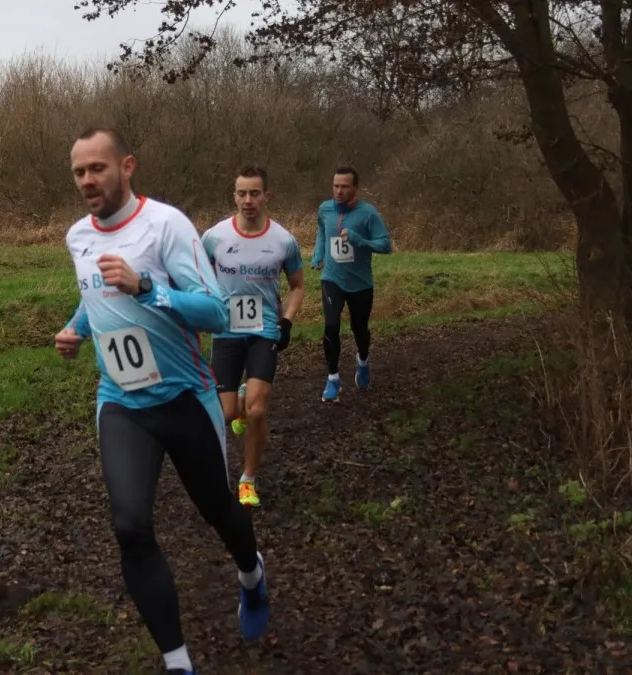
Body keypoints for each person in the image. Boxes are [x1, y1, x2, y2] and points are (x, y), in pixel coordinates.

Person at [53, 127, 270, 675]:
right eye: (78, 171)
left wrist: (148, 288)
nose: (87, 180)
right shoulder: (77, 235)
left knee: (216, 508)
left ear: (127, 166)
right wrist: (76, 328)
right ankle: (178, 662)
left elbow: (216, 312)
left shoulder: (166, 224)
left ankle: (251, 574)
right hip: (121, 401)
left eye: (97, 168)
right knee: (130, 527)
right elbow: (92, 293)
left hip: (184, 398)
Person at [200, 165, 304, 508]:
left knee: (259, 410)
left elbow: (298, 286)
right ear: (234, 196)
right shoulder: (215, 237)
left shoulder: (283, 241)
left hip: (265, 332)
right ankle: (240, 401)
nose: (248, 200)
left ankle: (247, 479)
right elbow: (196, 276)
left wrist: (287, 322)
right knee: (227, 414)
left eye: (255, 193)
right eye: (242, 193)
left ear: (266, 197)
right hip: (226, 333)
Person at [310, 165, 393, 402]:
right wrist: (319, 253)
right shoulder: (325, 209)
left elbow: (385, 245)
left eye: (344, 186)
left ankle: (363, 361)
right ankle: (333, 378)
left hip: (360, 283)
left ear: (355, 188)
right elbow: (321, 230)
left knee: (360, 329)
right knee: (331, 326)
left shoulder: (368, 213)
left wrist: (359, 240)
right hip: (332, 279)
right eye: (336, 186)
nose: (339, 191)